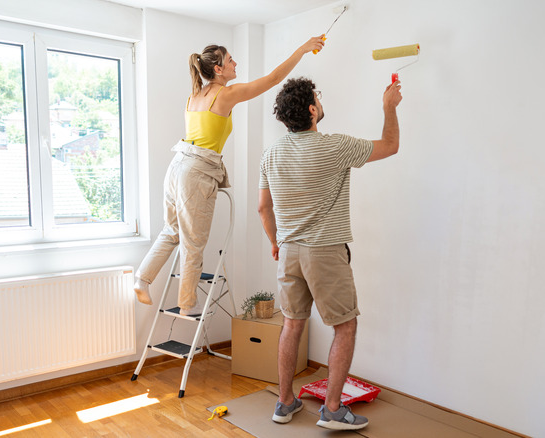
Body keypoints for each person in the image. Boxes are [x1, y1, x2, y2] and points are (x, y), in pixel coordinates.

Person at [134, 37, 326, 316]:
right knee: (193, 241)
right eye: (231, 60)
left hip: (177, 166)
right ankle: (188, 304)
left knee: (172, 230)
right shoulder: (224, 94)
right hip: (195, 172)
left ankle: (142, 278)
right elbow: (273, 78)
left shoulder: (194, 97)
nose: (236, 63)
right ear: (219, 69)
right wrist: (302, 49)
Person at [258, 77, 402, 430]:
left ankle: (284, 402)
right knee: (345, 326)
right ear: (311, 110)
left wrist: (276, 242)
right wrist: (388, 107)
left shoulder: (271, 153)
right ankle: (333, 410)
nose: (320, 101)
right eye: (317, 98)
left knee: (292, 324)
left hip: (289, 250)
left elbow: (263, 208)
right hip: (323, 252)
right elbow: (390, 145)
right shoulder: (335, 146)